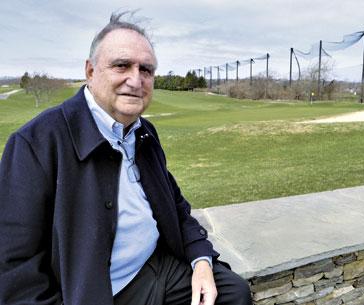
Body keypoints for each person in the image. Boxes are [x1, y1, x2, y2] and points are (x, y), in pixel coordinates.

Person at [0, 11, 252, 305]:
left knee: (234, 294)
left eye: (146, 70)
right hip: (94, 292)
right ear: (91, 71)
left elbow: (176, 205)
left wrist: (202, 260)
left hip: (156, 267)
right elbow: (14, 266)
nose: (136, 80)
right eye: (122, 65)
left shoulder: (143, 132)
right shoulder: (37, 143)